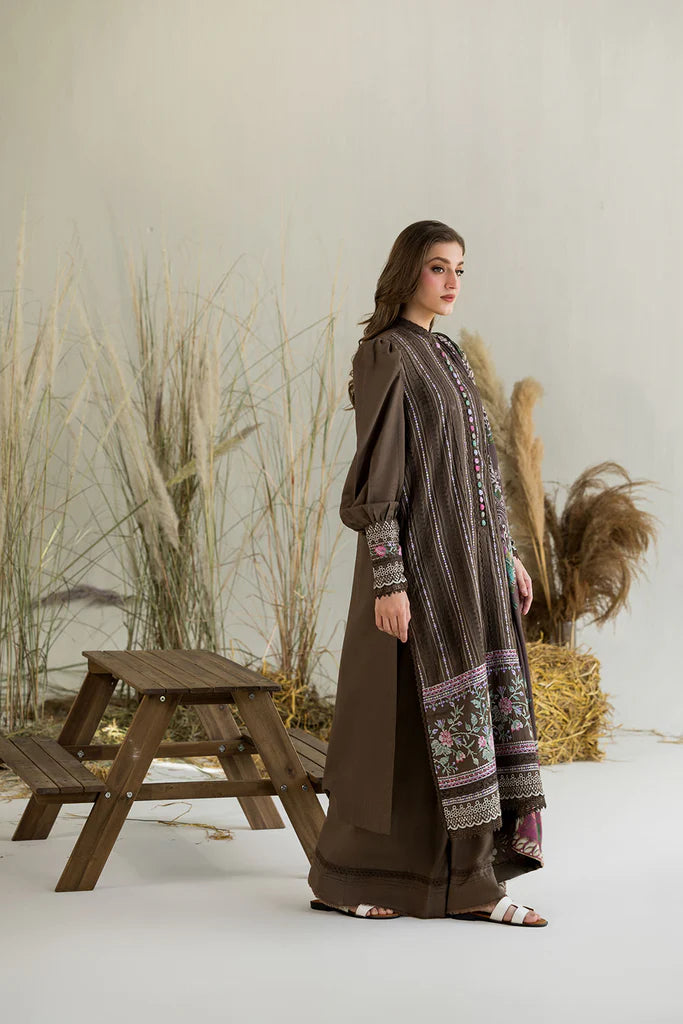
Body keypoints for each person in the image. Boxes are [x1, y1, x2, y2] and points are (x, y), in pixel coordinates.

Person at [308, 220, 548, 927]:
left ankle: (453, 883)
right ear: (407, 271)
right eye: (438, 267)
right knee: (402, 727)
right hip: (421, 570)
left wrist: (506, 553)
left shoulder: (446, 353)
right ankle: (356, 881)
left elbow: (476, 473)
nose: (451, 282)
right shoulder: (386, 353)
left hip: (472, 572)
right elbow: (380, 477)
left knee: (446, 728)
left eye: (460, 269)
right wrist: (389, 580)